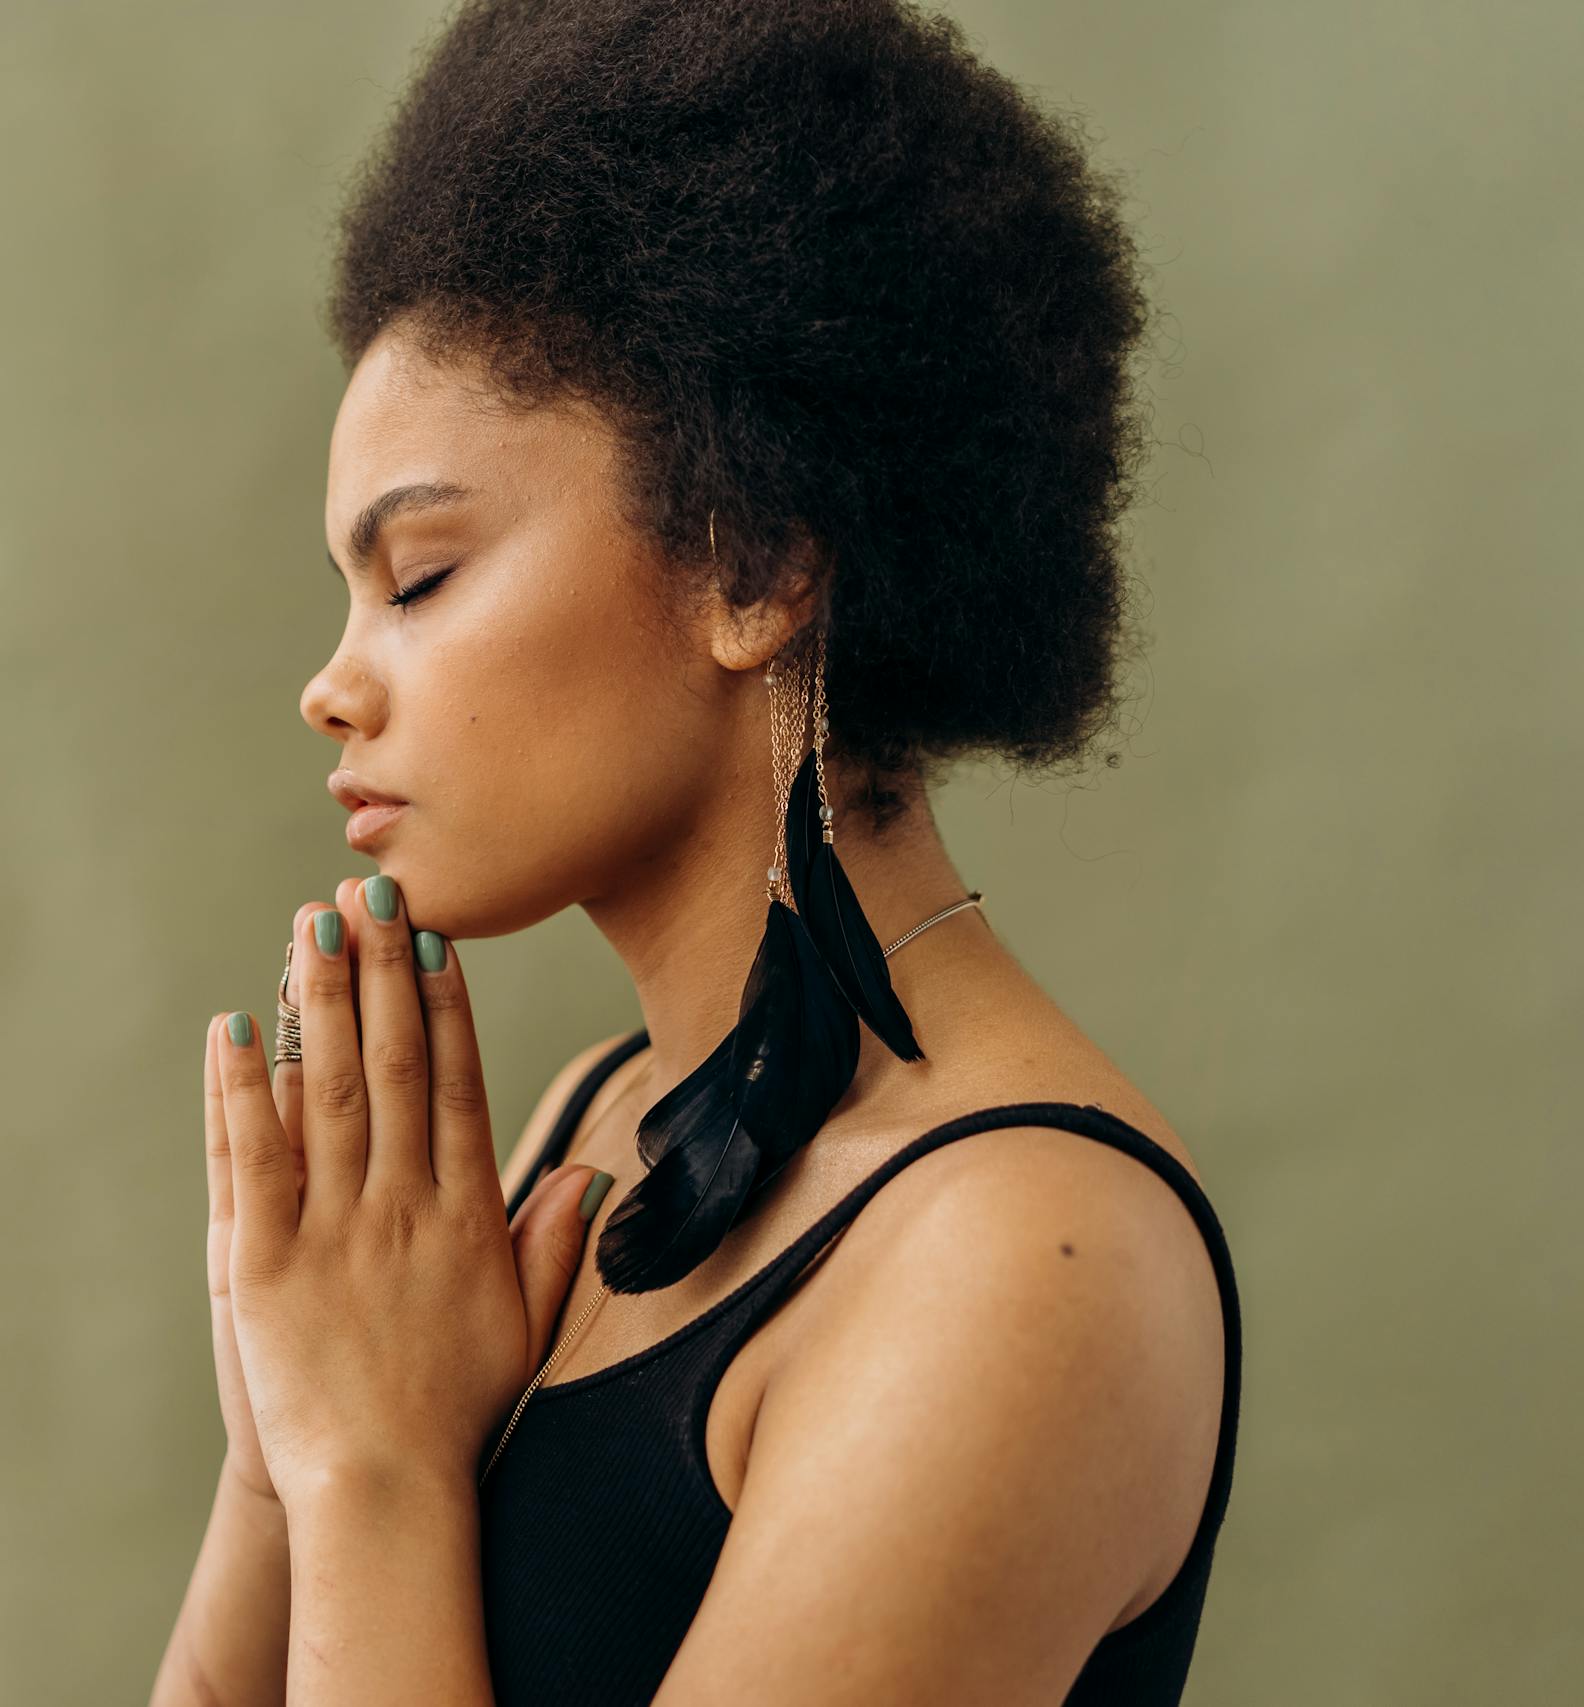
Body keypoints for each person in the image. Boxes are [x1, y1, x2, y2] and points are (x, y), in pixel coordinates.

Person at [152, 2, 1239, 1702]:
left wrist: (371, 1475)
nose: (330, 685)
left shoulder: (1017, 1260)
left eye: (420, 578)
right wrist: (278, 1448)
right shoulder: (595, 1127)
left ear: (751, 567)